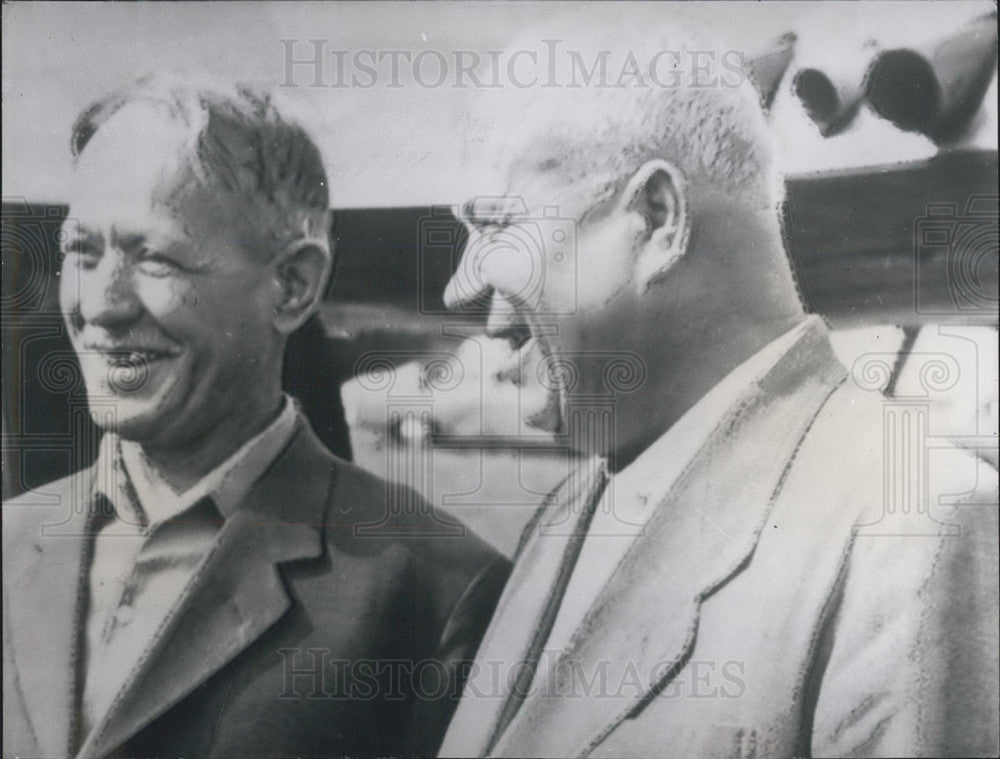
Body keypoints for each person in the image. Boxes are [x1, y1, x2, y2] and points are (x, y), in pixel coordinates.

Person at [437, 22, 999, 759]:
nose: (460, 291)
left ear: (658, 218)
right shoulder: (568, 513)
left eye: (500, 226)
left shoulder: (912, 526)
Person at [2, 74, 508, 759]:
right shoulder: (10, 541)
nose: (101, 304)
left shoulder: (433, 591)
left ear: (293, 284)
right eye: (81, 252)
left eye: (153, 255)